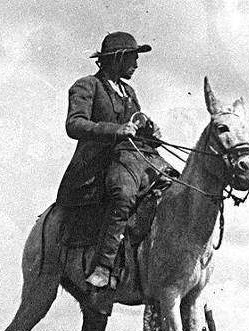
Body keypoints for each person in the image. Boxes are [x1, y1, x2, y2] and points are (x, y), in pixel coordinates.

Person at [56, 32, 172, 305]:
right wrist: (116, 130)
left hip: (133, 158)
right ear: (118, 58)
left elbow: (136, 128)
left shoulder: (129, 92)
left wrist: (149, 131)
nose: (137, 64)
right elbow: (75, 125)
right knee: (124, 194)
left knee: (171, 181)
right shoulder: (87, 86)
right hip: (99, 164)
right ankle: (104, 267)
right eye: (133, 58)